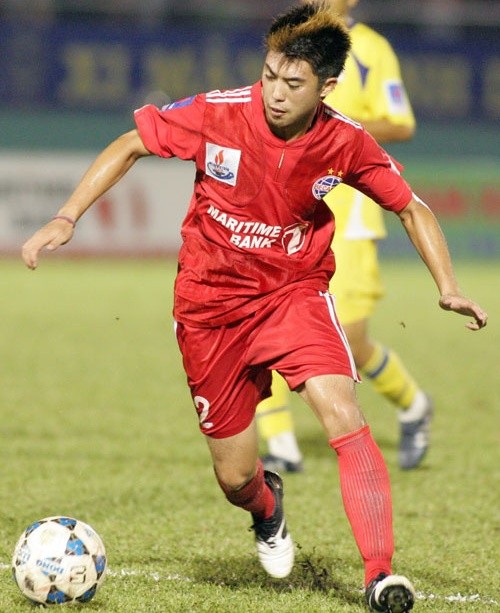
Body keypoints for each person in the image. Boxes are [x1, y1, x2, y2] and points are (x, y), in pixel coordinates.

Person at [22, 3, 487, 611]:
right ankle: (267, 509)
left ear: (327, 88)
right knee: (235, 477)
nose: (274, 92)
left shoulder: (344, 140)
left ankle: (379, 575)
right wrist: (65, 217)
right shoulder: (218, 113)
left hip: (293, 294)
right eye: (269, 74)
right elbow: (132, 143)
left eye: (292, 83)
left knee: (341, 411)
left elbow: (411, 206)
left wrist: (446, 283)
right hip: (207, 309)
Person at [257, 0, 431, 474]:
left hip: (349, 217)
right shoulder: (290, 40)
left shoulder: (372, 50)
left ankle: (413, 404)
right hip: (284, 208)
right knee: (261, 323)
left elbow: (401, 122)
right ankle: (281, 444)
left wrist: (337, 125)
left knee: (351, 343)